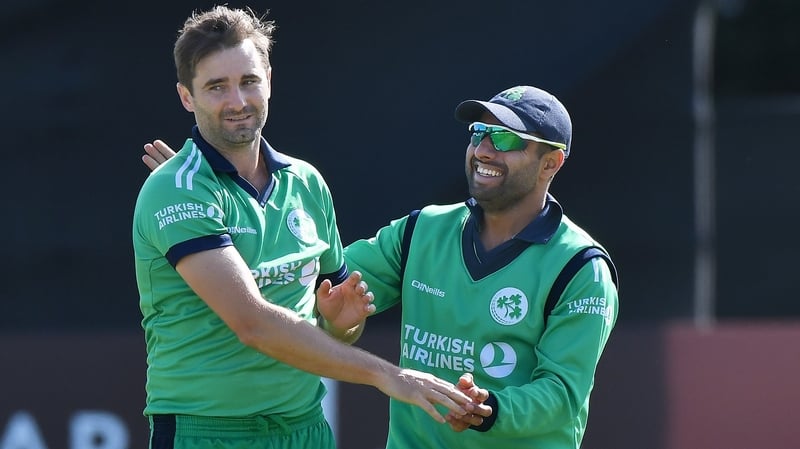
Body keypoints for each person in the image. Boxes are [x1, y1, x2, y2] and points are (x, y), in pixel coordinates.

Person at [142, 84, 618, 448]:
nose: (484, 150)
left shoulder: (580, 267)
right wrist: (212, 202)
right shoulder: (422, 231)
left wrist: (489, 408)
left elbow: (561, 396)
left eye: (505, 138)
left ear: (551, 163)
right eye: (478, 133)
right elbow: (302, 284)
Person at [132, 6, 472, 449]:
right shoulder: (174, 189)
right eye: (216, 87)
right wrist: (388, 375)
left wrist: (341, 324)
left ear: (268, 79)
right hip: (207, 431)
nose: (237, 101)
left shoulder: (306, 181)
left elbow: (332, 321)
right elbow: (252, 323)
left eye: (248, 81)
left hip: (305, 428)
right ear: (186, 96)